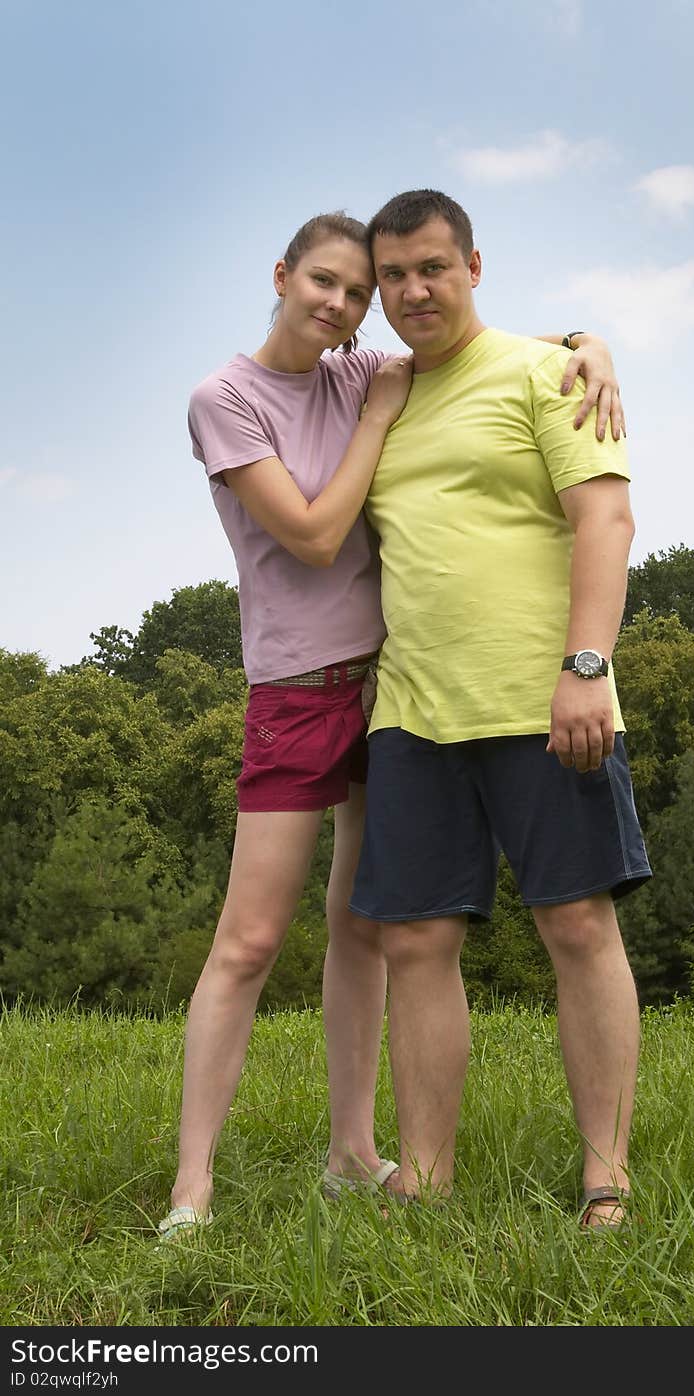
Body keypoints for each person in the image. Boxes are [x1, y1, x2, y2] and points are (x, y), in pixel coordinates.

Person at [156, 209, 628, 1237]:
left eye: (358, 291)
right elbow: (319, 537)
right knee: (279, 937)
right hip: (322, 693)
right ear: (280, 275)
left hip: (430, 689)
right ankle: (202, 1182)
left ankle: (373, 1154)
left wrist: (588, 339)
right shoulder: (253, 396)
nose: (349, 303)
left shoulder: (381, 370)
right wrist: (380, 410)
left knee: (393, 925)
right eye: (337, 282)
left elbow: (497, 358)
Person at [350, 190, 652, 1230]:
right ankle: (425, 1172)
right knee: (416, 944)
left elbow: (604, 515)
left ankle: (604, 1172)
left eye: (432, 267)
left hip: (542, 697)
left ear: (474, 264)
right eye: (393, 275)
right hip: (412, 713)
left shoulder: (542, 371)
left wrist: (587, 664)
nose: (412, 290)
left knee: (574, 922)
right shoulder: (378, 398)